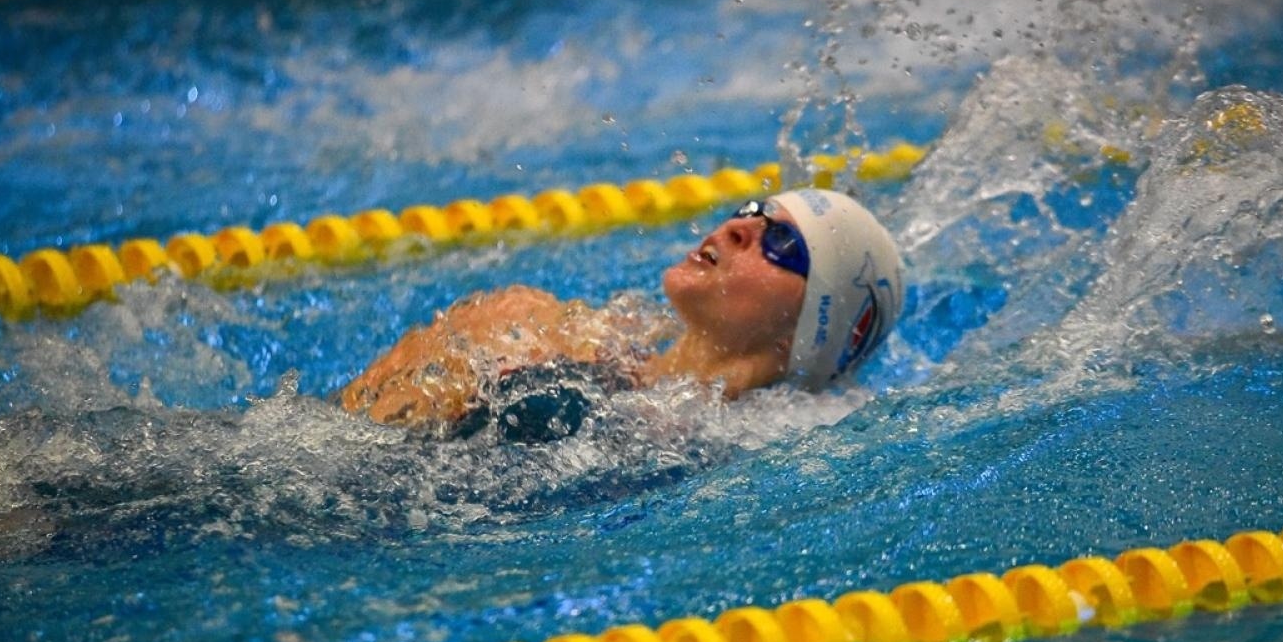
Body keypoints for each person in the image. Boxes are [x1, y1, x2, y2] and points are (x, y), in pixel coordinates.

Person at [339, 188, 905, 441]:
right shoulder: (544, 329)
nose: (739, 227)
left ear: (813, 329)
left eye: (782, 244)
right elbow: (346, 431)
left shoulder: (743, 450)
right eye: (754, 211)